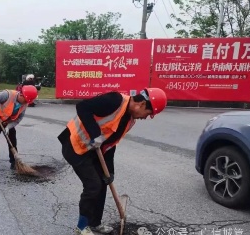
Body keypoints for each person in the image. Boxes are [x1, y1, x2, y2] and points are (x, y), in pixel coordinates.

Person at [57, 88, 167, 235]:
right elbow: (82, 107)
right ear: (141, 105)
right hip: (74, 145)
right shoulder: (115, 100)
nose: (145, 118)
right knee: (93, 185)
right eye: (148, 114)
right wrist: (95, 134)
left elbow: (110, 145)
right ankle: (81, 228)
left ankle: (95, 223)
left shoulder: (129, 120)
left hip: (92, 150)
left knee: (103, 182)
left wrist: (109, 171)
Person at [0, 85, 38, 172]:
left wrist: (9, 127)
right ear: (21, 95)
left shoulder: (25, 104)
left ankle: (14, 162)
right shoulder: (7, 95)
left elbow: (19, 118)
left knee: (12, 141)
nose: (26, 103)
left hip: (8, 122)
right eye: (26, 100)